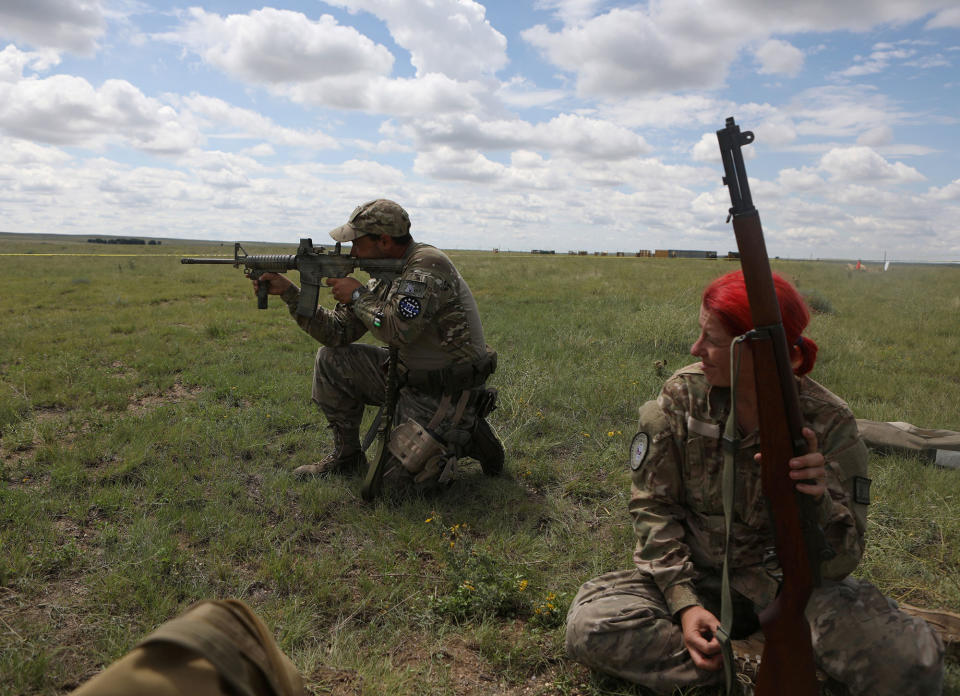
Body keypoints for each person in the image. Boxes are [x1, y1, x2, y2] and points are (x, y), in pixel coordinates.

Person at [564, 270, 944, 695]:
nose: (695, 349)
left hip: (793, 593)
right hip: (700, 579)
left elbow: (843, 560)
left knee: (911, 664)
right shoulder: (683, 397)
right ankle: (757, 672)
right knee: (591, 625)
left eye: (711, 340)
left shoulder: (829, 422)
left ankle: (738, 670)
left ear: (758, 352)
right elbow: (654, 509)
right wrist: (685, 605)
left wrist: (818, 501)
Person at [254, 199, 503, 484]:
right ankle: (346, 456)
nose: (353, 253)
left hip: (444, 389)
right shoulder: (385, 275)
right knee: (331, 359)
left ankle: (468, 432)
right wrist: (290, 293)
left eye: (357, 243)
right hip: (405, 376)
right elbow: (337, 332)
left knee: (394, 489)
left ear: (383, 241)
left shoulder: (426, 266)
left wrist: (359, 296)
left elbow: (398, 330)